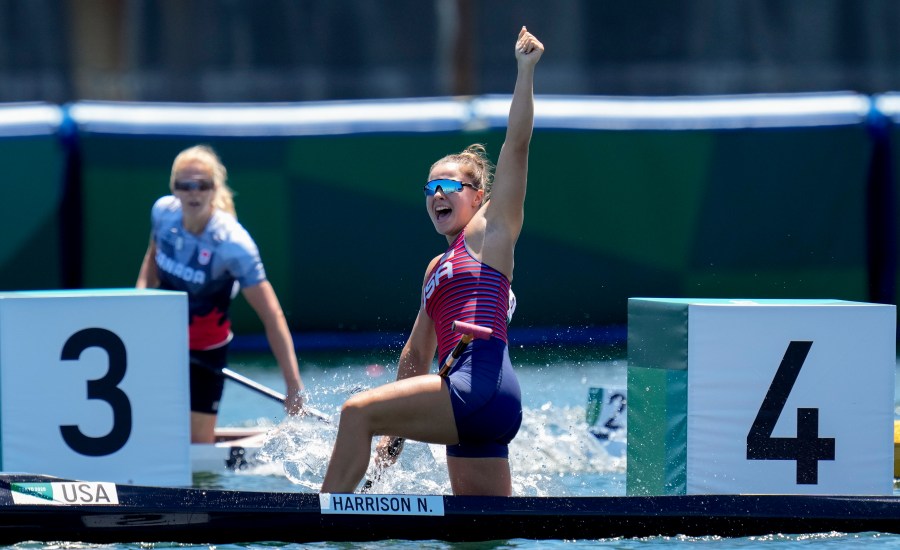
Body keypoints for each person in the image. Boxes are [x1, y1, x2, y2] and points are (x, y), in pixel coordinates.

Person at [321, 26, 543, 496]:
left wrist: (524, 72)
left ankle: (321, 522)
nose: (437, 194)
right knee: (482, 534)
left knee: (354, 412)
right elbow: (416, 356)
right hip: (480, 406)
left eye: (449, 186)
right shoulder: (434, 268)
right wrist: (391, 444)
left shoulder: (491, 233)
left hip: (477, 387)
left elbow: (517, 147)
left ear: (478, 197)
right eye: (429, 188)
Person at [136, 145, 305, 443]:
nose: (193, 193)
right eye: (185, 185)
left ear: (215, 189)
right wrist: (140, 302)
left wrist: (292, 386)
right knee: (151, 429)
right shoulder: (163, 214)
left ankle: (268, 440)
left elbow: (272, 316)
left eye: (202, 185)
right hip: (162, 343)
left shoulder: (233, 245)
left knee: (198, 444)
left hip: (206, 350)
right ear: (174, 187)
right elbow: (152, 258)